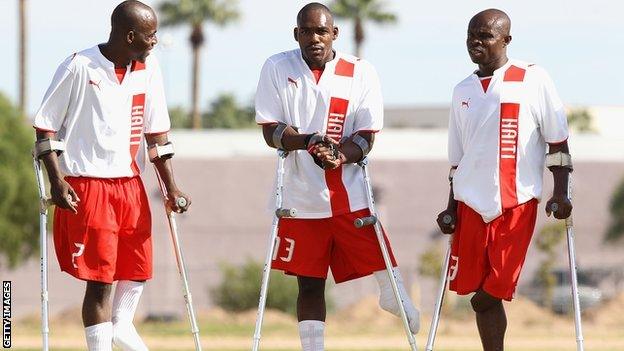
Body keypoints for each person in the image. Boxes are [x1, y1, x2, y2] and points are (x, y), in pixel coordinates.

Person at [255, 3, 419, 350]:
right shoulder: (276, 66)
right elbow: (270, 131)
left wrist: (340, 155)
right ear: (296, 33)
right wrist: (309, 141)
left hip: (348, 190)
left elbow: (367, 135)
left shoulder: (361, 71)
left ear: (335, 34)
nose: (314, 38)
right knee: (310, 284)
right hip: (300, 195)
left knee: (378, 254)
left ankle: (392, 293)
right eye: (307, 31)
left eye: (321, 31)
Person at [32, 1, 190, 350]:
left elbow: (157, 136)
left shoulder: (150, 68)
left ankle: (122, 325)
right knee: (101, 280)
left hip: (130, 184)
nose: (155, 43)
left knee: (137, 268)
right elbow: (45, 131)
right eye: (150, 37)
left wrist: (172, 186)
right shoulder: (79, 66)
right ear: (129, 35)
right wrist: (56, 182)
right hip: (87, 183)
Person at [436, 8, 573, 351]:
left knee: (489, 294)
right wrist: (450, 207)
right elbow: (458, 161)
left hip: (516, 202)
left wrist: (561, 192)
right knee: (477, 294)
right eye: (471, 36)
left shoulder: (532, 78)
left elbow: (558, 142)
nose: (476, 43)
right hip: (470, 204)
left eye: (485, 36)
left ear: (506, 40)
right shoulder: (462, 90)